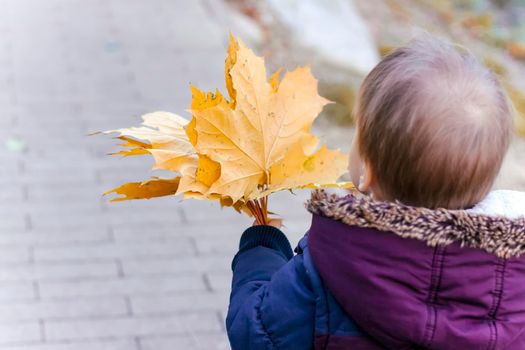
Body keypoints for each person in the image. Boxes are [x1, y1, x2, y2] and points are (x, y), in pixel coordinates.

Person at [226, 36, 525, 349]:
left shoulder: (331, 263)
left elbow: (256, 332)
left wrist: (260, 250)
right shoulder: (511, 280)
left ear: (366, 170)